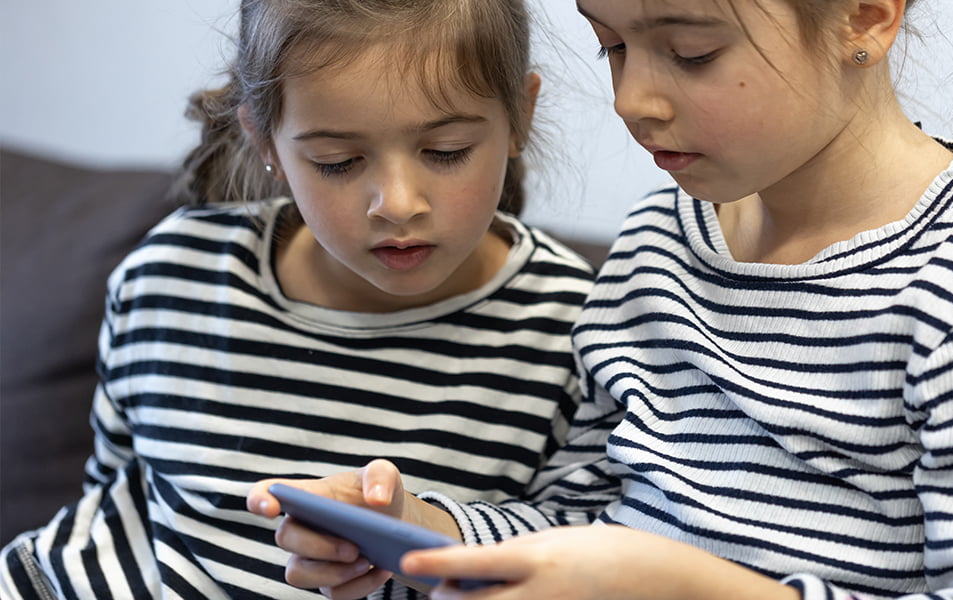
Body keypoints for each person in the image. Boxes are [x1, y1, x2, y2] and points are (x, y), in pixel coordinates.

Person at [248, 0, 953, 598]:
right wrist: (424, 529)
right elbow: (575, 514)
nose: (633, 99)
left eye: (692, 51)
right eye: (612, 43)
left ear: (864, 14)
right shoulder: (664, 239)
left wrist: (673, 583)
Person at [0, 0, 596, 598]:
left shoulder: (581, 331)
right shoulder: (170, 274)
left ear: (520, 114)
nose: (396, 202)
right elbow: (110, 494)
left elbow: (590, 549)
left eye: (445, 151)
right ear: (267, 143)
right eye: (336, 161)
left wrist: (429, 525)